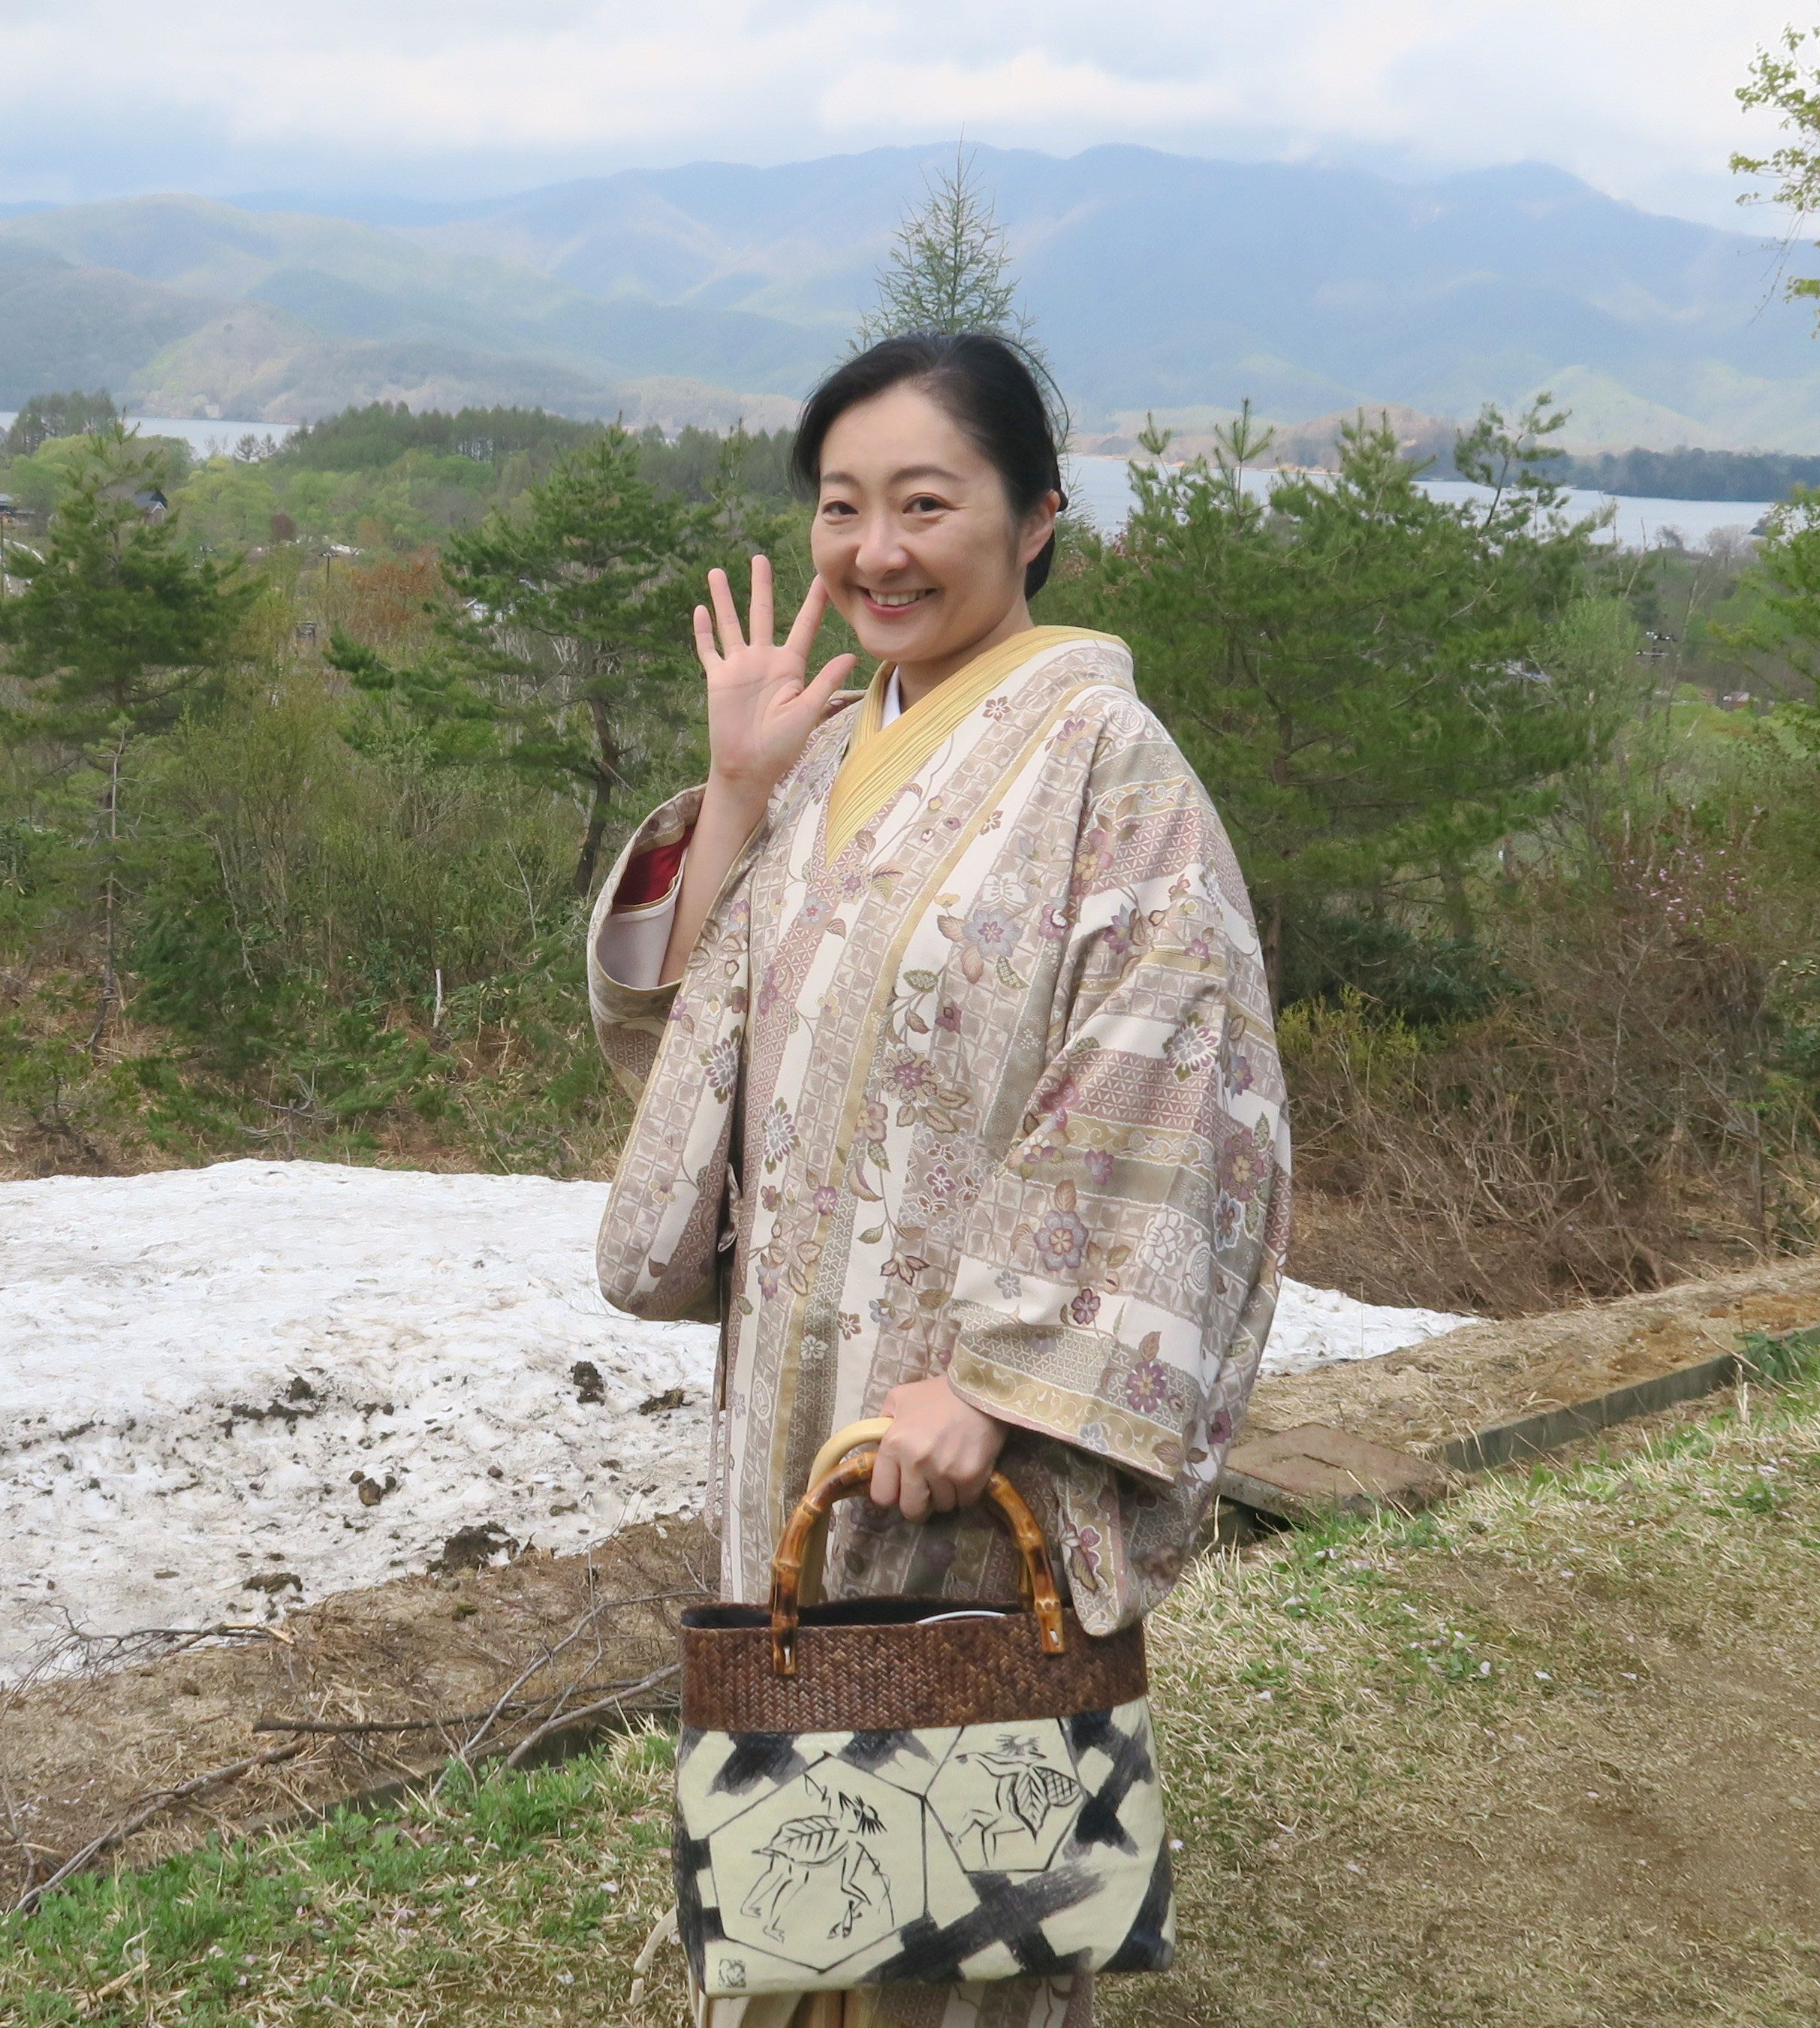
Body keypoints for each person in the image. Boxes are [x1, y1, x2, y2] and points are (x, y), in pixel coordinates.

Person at [589, 331, 1288, 2028]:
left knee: (954, 1846)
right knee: (808, 1824)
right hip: (800, 1379)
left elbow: (1164, 1080)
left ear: (1036, 517)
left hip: (960, 1421)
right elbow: (698, 1039)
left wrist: (1000, 1381)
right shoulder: (830, 755)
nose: (877, 550)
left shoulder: (1108, 766)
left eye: (927, 501)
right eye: (844, 507)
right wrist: (742, 786)